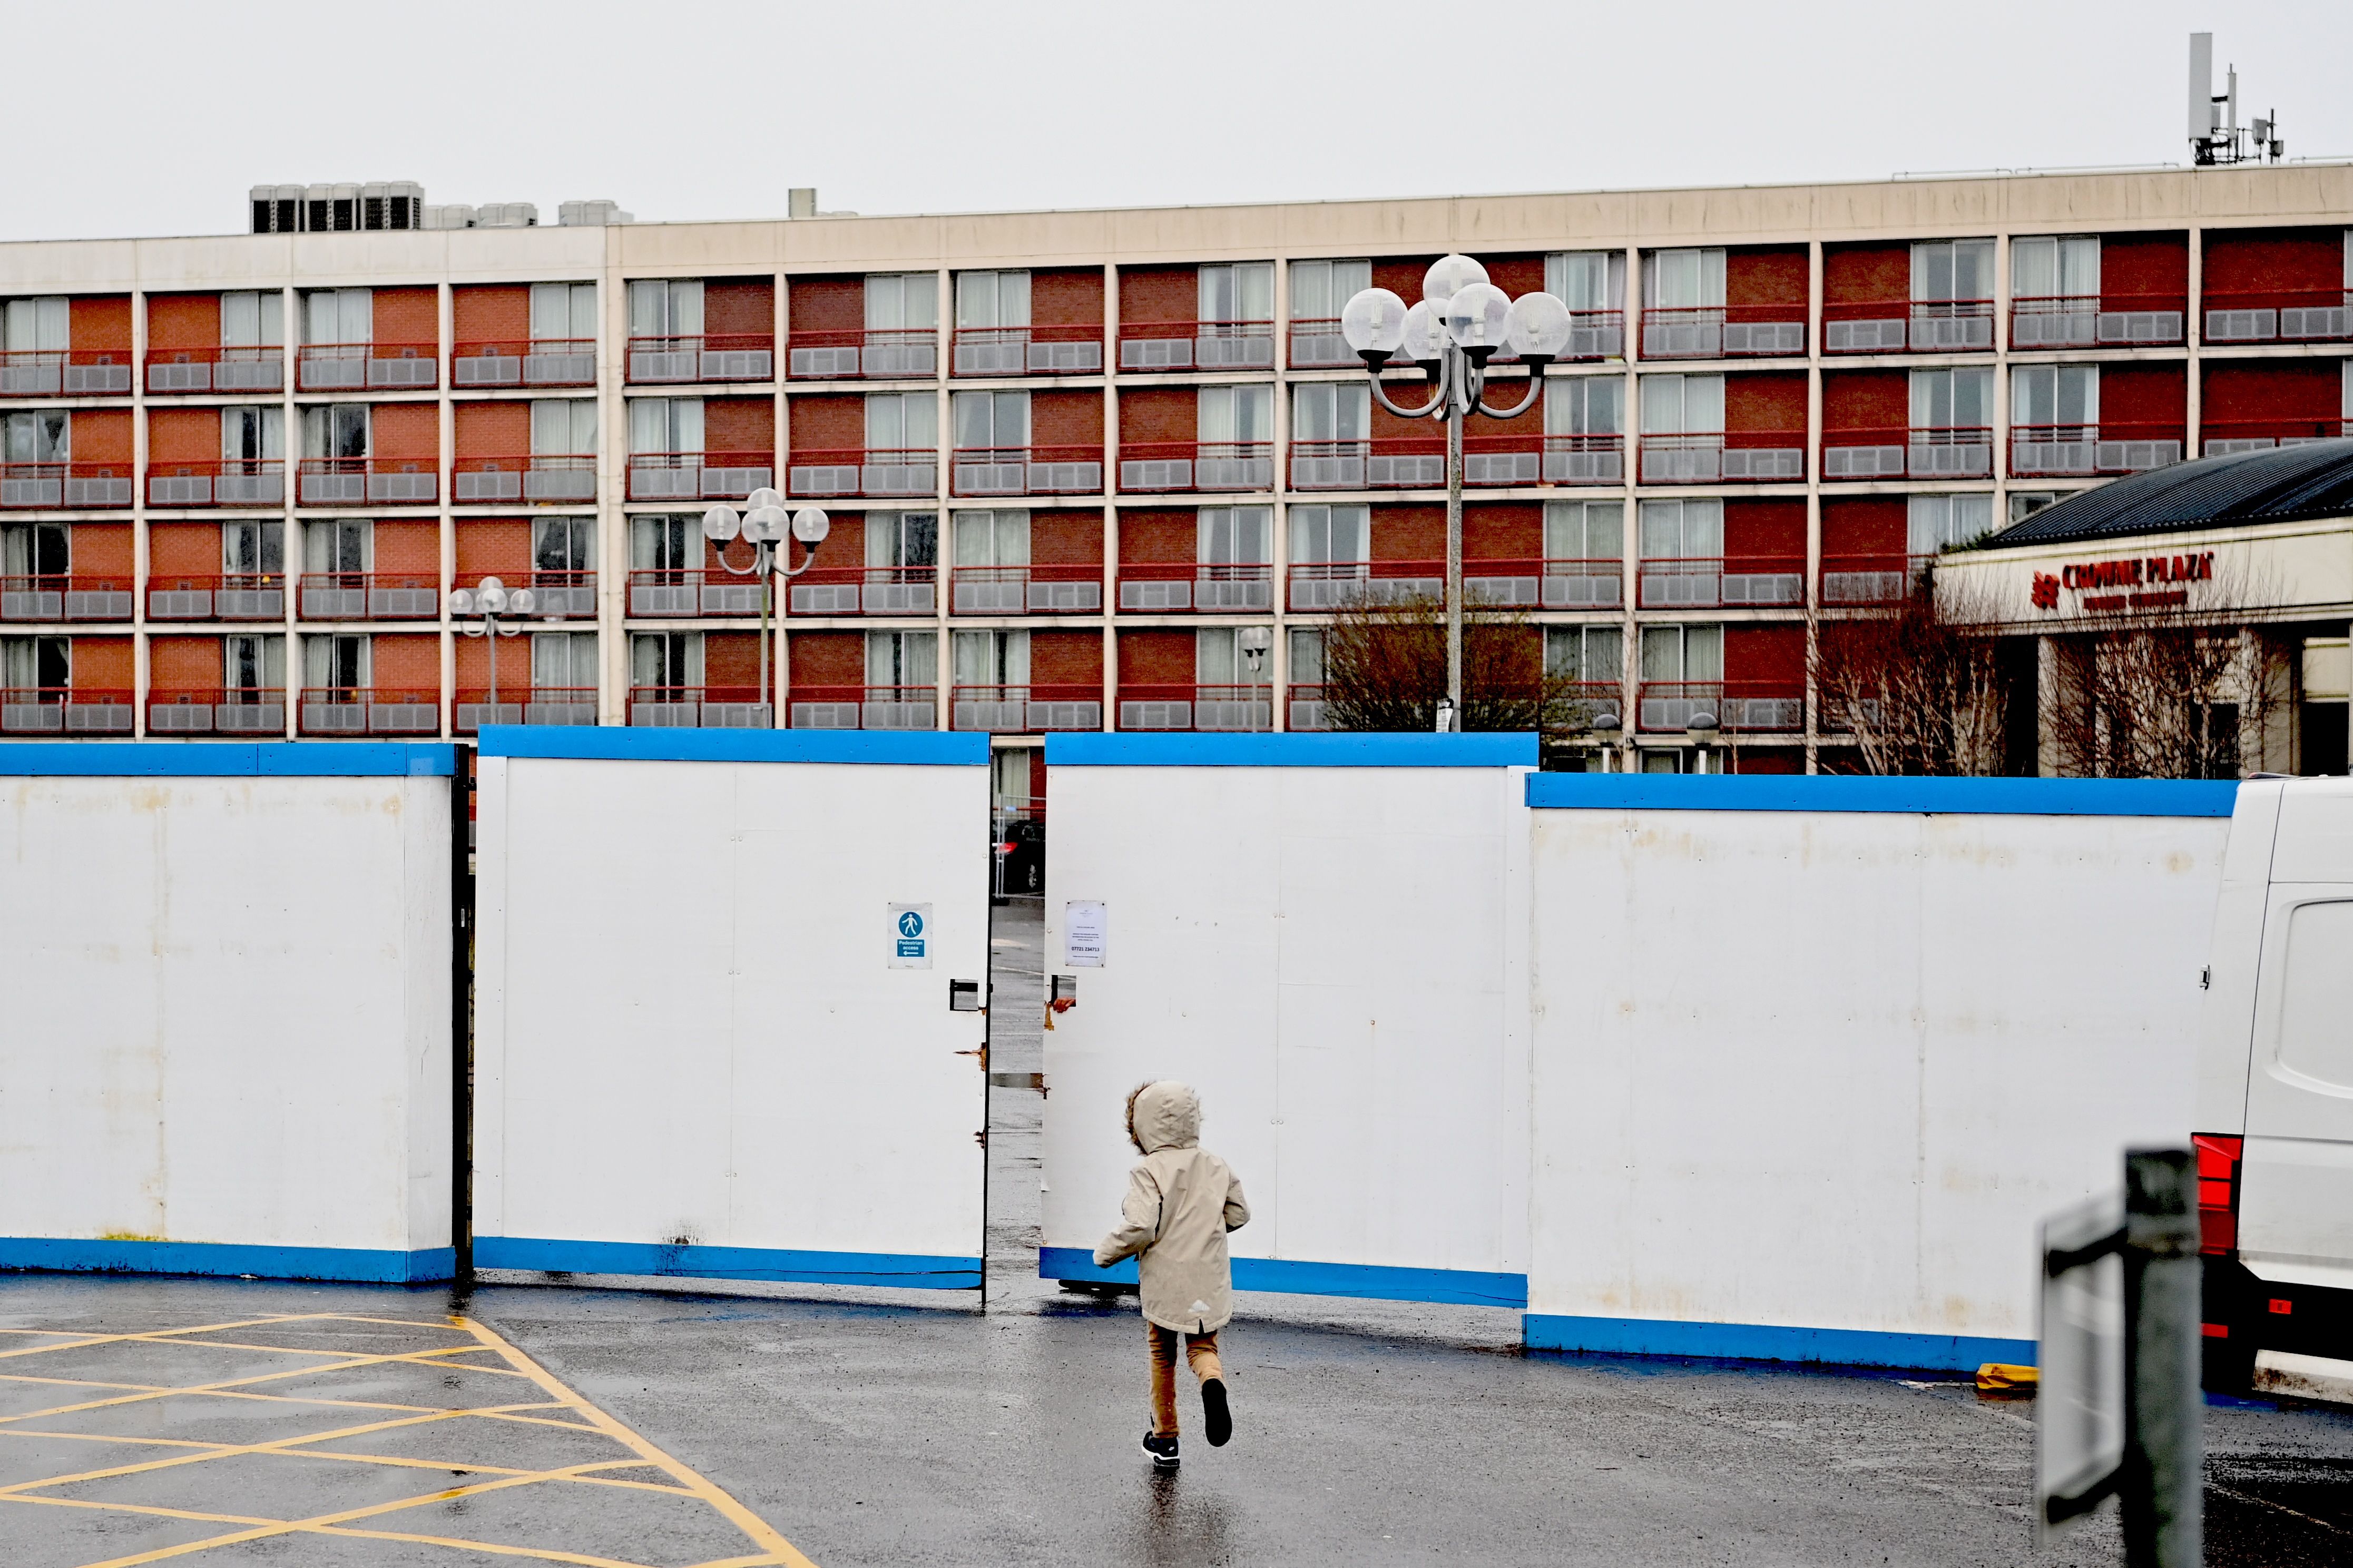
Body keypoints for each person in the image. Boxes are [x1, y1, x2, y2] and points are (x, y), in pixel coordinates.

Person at [1094, 1080, 1251, 1471]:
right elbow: (1239, 1214)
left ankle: (1165, 1439)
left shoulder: (1148, 1170)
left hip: (1166, 1279)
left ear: (1141, 1127)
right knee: (1203, 1348)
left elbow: (1142, 1226)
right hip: (1207, 1278)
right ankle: (1212, 1384)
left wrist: (1105, 1253)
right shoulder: (1215, 1164)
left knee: (1162, 1353)